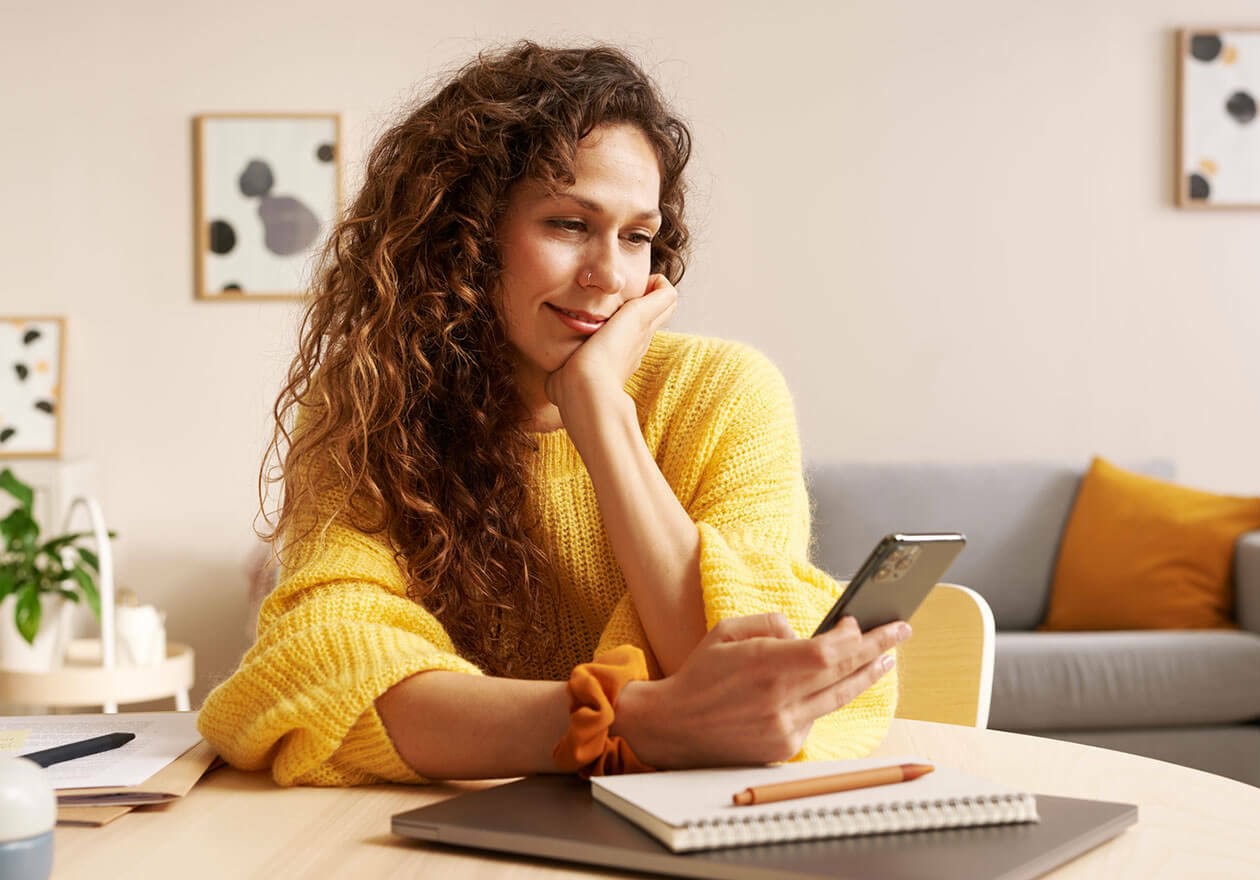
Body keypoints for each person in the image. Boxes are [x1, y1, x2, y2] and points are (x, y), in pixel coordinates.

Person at [197, 41, 908, 786]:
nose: (607, 276)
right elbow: (324, 662)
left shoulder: (724, 394)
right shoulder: (374, 402)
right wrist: (618, 723)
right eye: (569, 224)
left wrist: (600, 412)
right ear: (465, 236)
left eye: (637, 236)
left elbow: (752, 690)